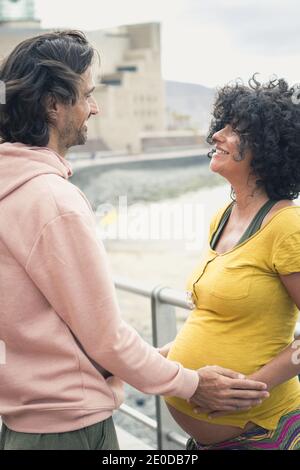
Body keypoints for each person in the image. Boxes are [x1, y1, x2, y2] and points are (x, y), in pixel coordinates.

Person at [0, 32, 268, 451]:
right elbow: (104, 337)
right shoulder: (53, 202)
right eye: (86, 95)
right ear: (53, 104)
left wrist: (148, 357)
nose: (94, 107)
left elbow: (50, 325)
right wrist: (192, 383)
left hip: (27, 422)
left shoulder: (10, 189)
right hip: (69, 430)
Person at [163, 75, 300, 450]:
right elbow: (220, 319)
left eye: (233, 130)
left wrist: (251, 387)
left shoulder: (287, 226)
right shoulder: (222, 216)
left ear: (268, 147)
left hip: (260, 434)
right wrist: (161, 358)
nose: (216, 136)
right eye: (219, 126)